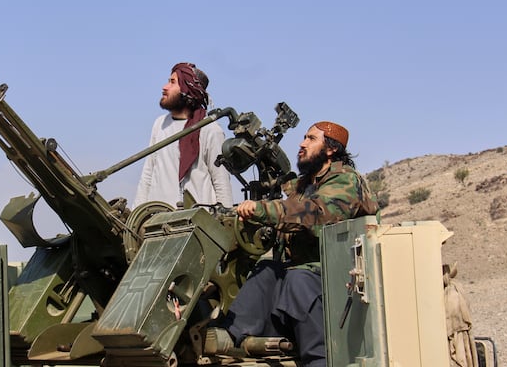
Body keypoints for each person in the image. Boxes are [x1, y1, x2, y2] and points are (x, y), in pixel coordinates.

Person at [206, 121, 379, 367]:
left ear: (330, 149)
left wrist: (263, 210)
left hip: (341, 276)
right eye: (303, 138)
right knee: (267, 272)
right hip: (306, 275)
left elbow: (316, 213)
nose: (302, 143)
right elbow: (285, 215)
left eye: (310, 139)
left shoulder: (345, 181)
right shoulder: (304, 186)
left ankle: (319, 359)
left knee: (298, 279)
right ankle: (231, 337)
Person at [134, 62, 233, 209]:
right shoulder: (159, 124)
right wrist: (136, 213)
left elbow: (221, 181)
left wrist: (226, 220)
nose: (165, 87)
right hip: (157, 219)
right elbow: (148, 174)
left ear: (188, 90)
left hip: (195, 223)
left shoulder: (209, 129)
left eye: (172, 82)